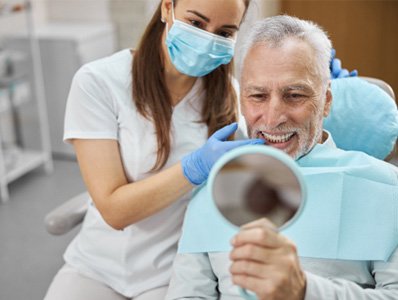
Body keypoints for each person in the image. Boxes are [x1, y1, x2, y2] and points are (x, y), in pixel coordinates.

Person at [165, 15, 398, 300]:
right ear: (242, 100)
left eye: (295, 95)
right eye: (258, 96)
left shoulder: (387, 188)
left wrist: (304, 291)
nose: (273, 118)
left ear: (326, 101)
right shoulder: (212, 188)